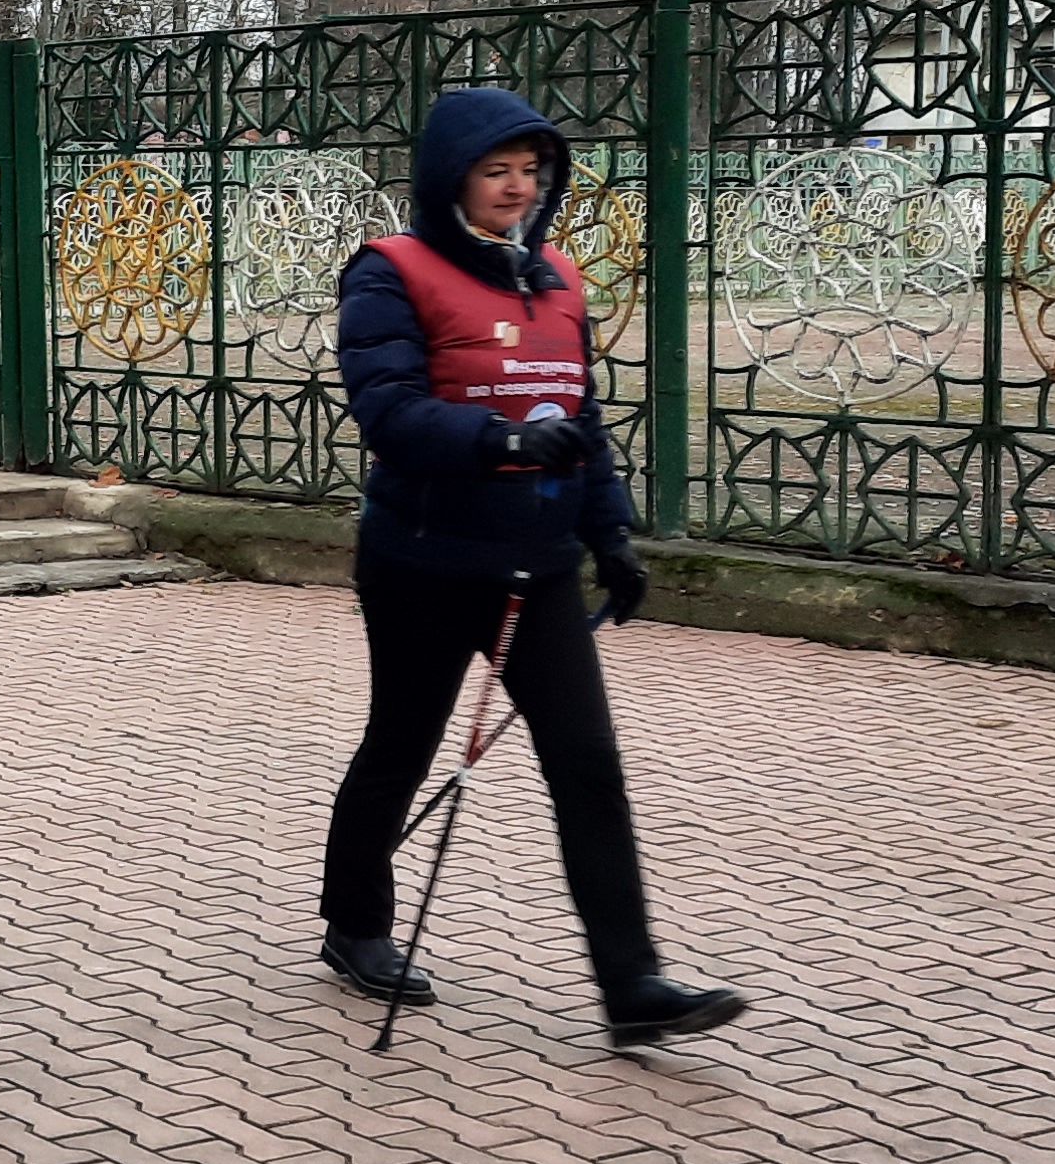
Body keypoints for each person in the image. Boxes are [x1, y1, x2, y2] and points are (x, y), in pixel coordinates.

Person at [317, 85, 746, 1046]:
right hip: (423, 559)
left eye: (530, 172)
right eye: (496, 170)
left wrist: (611, 534)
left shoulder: (556, 276)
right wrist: (506, 442)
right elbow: (388, 410)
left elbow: (579, 416)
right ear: (450, 177)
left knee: (588, 764)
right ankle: (355, 922)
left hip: (537, 563)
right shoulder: (390, 272)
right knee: (402, 745)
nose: (517, 187)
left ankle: (632, 985)